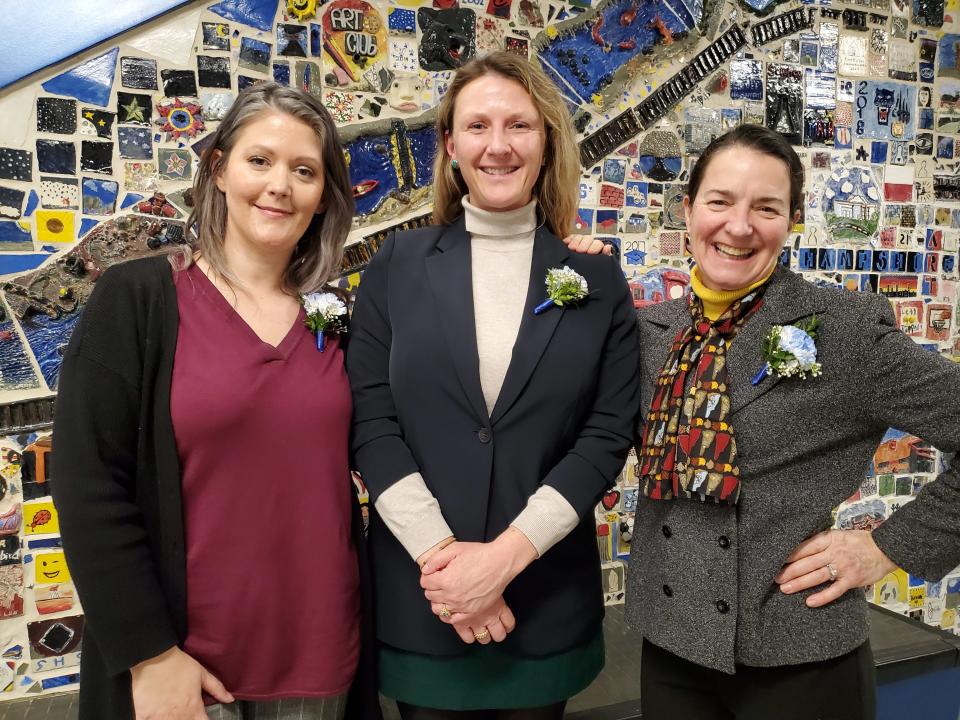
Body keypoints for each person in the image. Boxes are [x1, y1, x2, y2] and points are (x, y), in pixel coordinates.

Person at [51, 82, 380, 720]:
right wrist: (149, 655)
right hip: (188, 672)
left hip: (320, 660)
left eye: (305, 170)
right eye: (260, 160)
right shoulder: (140, 299)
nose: (280, 185)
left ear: (323, 196)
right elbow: (87, 485)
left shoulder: (337, 316)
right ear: (219, 168)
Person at [625, 124, 960, 719]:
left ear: (793, 220)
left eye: (766, 207)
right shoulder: (649, 334)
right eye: (720, 201)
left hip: (801, 655)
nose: (738, 226)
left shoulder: (844, 329)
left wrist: (885, 547)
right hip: (672, 651)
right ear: (688, 209)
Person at [347, 51, 640, 719]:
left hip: (543, 604)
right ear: (450, 145)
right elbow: (369, 418)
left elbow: (605, 435)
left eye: (519, 125)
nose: (498, 145)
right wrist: (448, 564)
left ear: (546, 141)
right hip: (426, 601)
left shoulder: (596, 280)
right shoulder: (397, 265)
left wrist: (503, 561)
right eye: (477, 126)